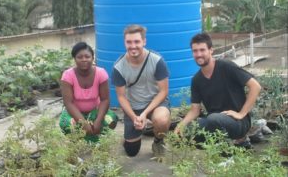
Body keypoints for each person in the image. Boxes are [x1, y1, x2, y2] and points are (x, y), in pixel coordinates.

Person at [175, 33, 261, 148]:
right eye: (195, 51)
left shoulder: (226, 66)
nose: (199, 54)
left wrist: (241, 114)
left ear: (211, 50)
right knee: (187, 131)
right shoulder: (197, 79)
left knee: (213, 118)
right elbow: (195, 110)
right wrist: (181, 126)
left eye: (202, 50)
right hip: (214, 122)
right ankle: (222, 144)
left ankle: (238, 140)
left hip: (237, 122)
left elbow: (255, 86)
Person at [112, 24, 171, 157]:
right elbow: (121, 97)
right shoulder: (118, 67)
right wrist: (134, 117)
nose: (133, 46)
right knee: (131, 152)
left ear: (144, 41)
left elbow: (163, 91)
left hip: (156, 103)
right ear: (124, 43)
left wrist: (144, 114)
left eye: (137, 41)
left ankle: (158, 141)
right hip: (134, 107)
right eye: (129, 42)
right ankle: (134, 133)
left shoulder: (157, 61)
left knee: (161, 120)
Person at [59, 42, 118, 142]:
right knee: (66, 124)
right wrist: (83, 122)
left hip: (95, 111)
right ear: (74, 59)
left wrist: (98, 120)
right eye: (79, 57)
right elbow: (68, 103)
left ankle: (94, 137)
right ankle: (79, 141)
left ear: (92, 58)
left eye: (87, 56)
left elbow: (105, 100)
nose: (84, 59)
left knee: (110, 119)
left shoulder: (101, 73)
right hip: (75, 113)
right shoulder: (68, 75)